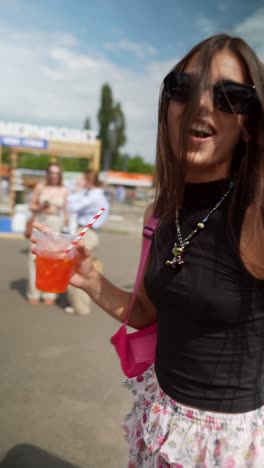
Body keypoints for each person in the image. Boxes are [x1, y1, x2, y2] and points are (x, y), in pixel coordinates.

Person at [32, 33, 264, 466]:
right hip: (160, 419)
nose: (201, 105)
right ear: (169, 106)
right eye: (184, 89)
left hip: (228, 445)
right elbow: (145, 313)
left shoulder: (254, 216)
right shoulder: (160, 211)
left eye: (229, 96)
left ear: (251, 123)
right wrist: (88, 279)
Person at [65, 169, 109, 315]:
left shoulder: (94, 195)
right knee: (78, 267)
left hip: (87, 232)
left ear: (88, 180)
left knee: (79, 269)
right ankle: (78, 304)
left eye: (82, 178)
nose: (79, 181)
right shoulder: (92, 193)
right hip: (87, 231)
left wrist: (77, 189)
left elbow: (71, 206)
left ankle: (81, 307)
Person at [27, 163, 69, 305]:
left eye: (56, 173)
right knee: (35, 257)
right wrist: (39, 206)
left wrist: (66, 227)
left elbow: (66, 211)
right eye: (51, 172)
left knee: (54, 259)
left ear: (60, 175)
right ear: (47, 173)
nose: (53, 175)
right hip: (41, 220)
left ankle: (49, 294)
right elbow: (31, 206)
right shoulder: (40, 187)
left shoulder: (64, 190)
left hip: (56, 224)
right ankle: (34, 292)